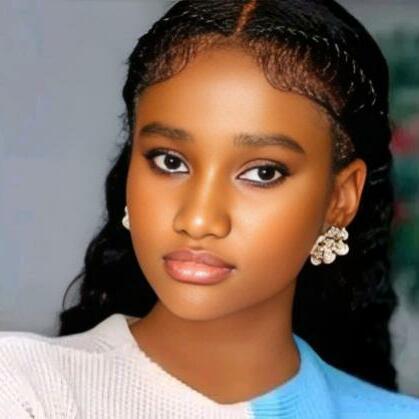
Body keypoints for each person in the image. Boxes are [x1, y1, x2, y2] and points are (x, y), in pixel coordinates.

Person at [1, 0, 419, 417]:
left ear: (339, 199)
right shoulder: (25, 388)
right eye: (170, 162)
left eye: (263, 173)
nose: (198, 219)